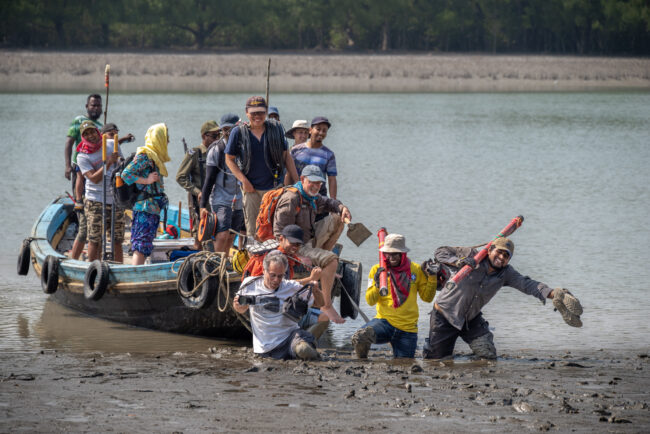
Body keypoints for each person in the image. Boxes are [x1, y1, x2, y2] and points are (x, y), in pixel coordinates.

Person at [421, 237, 583, 360]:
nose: (501, 257)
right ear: (490, 250)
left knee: (488, 355)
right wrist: (458, 262)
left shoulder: (506, 273)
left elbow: (527, 284)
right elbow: (441, 251)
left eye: (506, 256)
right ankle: (431, 347)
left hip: (470, 318)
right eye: (499, 252)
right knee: (436, 360)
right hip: (445, 314)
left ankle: (473, 365)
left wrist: (553, 293)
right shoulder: (473, 256)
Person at [272, 165, 352, 324]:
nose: (316, 187)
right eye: (312, 183)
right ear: (302, 180)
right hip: (296, 246)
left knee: (337, 219)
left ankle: (321, 263)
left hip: (308, 238)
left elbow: (329, 202)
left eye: (319, 184)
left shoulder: (311, 196)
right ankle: (326, 305)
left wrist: (342, 208)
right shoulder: (291, 199)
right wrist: (297, 256)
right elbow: (279, 235)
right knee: (332, 259)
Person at [351, 234, 436, 359]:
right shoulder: (377, 270)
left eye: (395, 254)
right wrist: (377, 285)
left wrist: (432, 278)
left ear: (403, 254)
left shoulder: (416, 270)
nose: (391, 257)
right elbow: (370, 301)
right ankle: (362, 361)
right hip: (384, 323)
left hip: (408, 328)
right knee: (360, 336)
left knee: (405, 365)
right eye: (387, 254)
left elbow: (427, 298)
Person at [225, 96, 299, 238]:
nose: (257, 116)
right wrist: (244, 181)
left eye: (261, 112)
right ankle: (256, 259)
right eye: (253, 113)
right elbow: (229, 159)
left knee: (275, 229)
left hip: (274, 188)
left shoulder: (275, 130)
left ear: (266, 112)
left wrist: (297, 183)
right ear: (247, 112)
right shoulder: (238, 132)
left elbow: (286, 156)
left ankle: (274, 259)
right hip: (251, 189)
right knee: (254, 231)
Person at [233, 251, 321, 360]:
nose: (276, 280)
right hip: (264, 348)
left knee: (303, 350)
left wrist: (316, 290)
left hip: (290, 339)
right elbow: (240, 309)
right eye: (272, 275)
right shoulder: (249, 284)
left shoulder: (290, 286)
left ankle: (314, 352)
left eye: (280, 276)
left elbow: (320, 304)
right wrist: (238, 306)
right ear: (264, 271)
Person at [75, 121, 125, 263]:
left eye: (92, 132)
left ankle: (119, 268)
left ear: (98, 132)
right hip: (95, 200)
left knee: (117, 240)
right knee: (95, 239)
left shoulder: (111, 144)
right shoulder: (82, 156)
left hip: (115, 199)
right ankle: (94, 270)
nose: (91, 136)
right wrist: (108, 162)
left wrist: (120, 162)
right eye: (86, 134)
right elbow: (93, 178)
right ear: (83, 137)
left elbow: (122, 164)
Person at [121, 123, 170, 265]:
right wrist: (147, 180)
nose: (167, 141)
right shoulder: (145, 155)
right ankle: (135, 273)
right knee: (141, 245)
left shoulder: (154, 157)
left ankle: (139, 270)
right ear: (158, 138)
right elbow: (126, 174)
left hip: (152, 208)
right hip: (144, 207)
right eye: (166, 138)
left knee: (146, 244)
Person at [65, 94, 103, 260]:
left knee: (95, 218)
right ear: (87, 106)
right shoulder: (78, 121)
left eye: (98, 106)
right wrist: (67, 165)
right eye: (93, 105)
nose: (95, 108)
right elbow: (69, 143)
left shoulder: (100, 127)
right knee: (84, 219)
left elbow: (106, 149)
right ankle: (76, 257)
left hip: (97, 173)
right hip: (80, 168)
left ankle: (94, 254)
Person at [200, 114, 244, 253]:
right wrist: (202, 205)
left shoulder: (245, 147)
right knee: (222, 233)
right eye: (224, 129)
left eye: (230, 129)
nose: (227, 133)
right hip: (221, 198)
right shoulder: (216, 150)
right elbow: (209, 179)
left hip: (240, 199)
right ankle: (216, 264)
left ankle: (224, 263)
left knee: (232, 235)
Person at [176, 120, 221, 250]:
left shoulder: (220, 152)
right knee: (200, 234)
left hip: (218, 199)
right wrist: (197, 192)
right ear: (204, 136)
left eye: (219, 135)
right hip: (200, 202)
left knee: (218, 233)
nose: (217, 139)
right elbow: (181, 177)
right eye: (214, 136)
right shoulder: (195, 153)